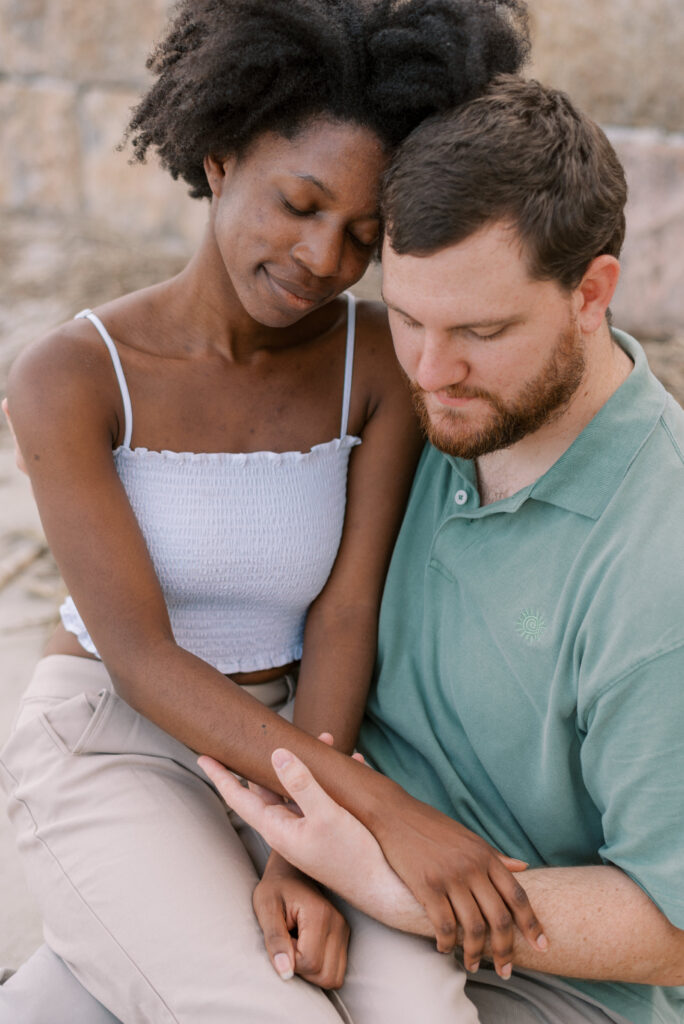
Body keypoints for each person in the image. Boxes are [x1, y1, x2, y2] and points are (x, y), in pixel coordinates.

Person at [0, 3, 540, 1023]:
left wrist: (311, 834)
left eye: (364, 236)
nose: (324, 260)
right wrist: (377, 815)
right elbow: (141, 657)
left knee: (423, 1010)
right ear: (218, 158)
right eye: (298, 204)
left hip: (306, 733)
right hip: (115, 740)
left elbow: (343, 611)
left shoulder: (375, 361)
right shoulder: (71, 377)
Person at [202, 75, 684, 1024]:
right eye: (411, 318)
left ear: (592, 294)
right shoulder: (404, 396)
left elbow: (673, 921)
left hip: (534, 981)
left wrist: (395, 891)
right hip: (311, 865)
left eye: (483, 331)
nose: (431, 371)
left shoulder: (659, 563)